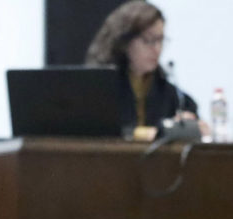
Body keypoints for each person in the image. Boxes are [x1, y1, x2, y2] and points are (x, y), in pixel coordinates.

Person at [85, 0, 204, 139]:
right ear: (125, 42)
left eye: (160, 40)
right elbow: (96, 130)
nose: (157, 49)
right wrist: (143, 134)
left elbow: (190, 116)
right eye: (149, 40)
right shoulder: (101, 87)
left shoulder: (166, 90)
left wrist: (190, 126)